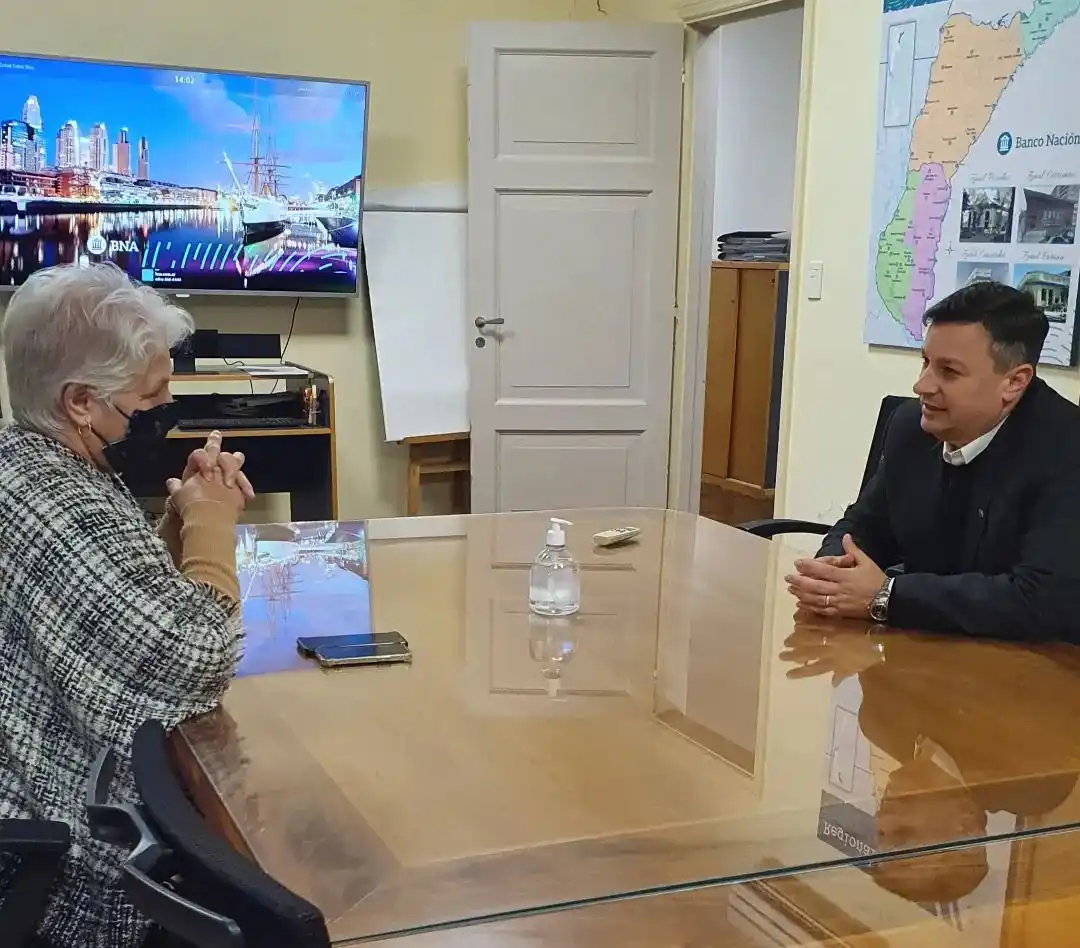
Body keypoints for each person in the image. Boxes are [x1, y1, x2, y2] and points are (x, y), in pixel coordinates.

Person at [0, 263, 254, 948]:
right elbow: (194, 659)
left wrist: (179, 518)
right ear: (82, 401)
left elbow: (115, 601)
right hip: (72, 871)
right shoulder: (55, 503)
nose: (169, 405)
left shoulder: (30, 462)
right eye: (153, 393)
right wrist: (212, 522)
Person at [786, 281, 1080, 640]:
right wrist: (831, 571)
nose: (921, 386)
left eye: (949, 372)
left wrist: (887, 596)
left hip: (1030, 670)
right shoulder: (911, 427)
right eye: (925, 362)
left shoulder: (1066, 448)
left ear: (1014, 383)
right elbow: (866, 524)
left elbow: (1041, 598)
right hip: (921, 650)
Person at [781, 615, 1080, 904]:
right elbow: (1034, 660)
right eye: (904, 833)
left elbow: (884, 634)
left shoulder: (879, 721)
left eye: (882, 832)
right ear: (966, 830)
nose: (884, 817)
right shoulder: (1034, 783)